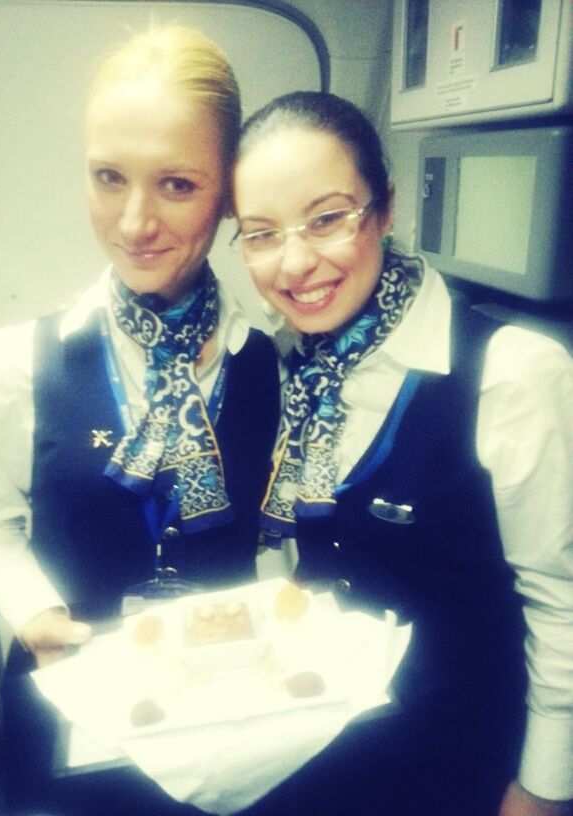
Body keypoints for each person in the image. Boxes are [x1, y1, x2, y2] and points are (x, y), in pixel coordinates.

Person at [0, 25, 279, 816]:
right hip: (72, 726)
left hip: (227, 732)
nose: (134, 223)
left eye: (177, 184)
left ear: (230, 190)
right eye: (109, 177)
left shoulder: (274, 364)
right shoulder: (16, 364)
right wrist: (30, 611)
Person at [232, 91, 573, 816]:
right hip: (329, 750)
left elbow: (564, 607)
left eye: (327, 219)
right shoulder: (288, 363)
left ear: (385, 211)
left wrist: (542, 792)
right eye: (261, 233)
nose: (294, 264)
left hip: (462, 765)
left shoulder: (510, 372)